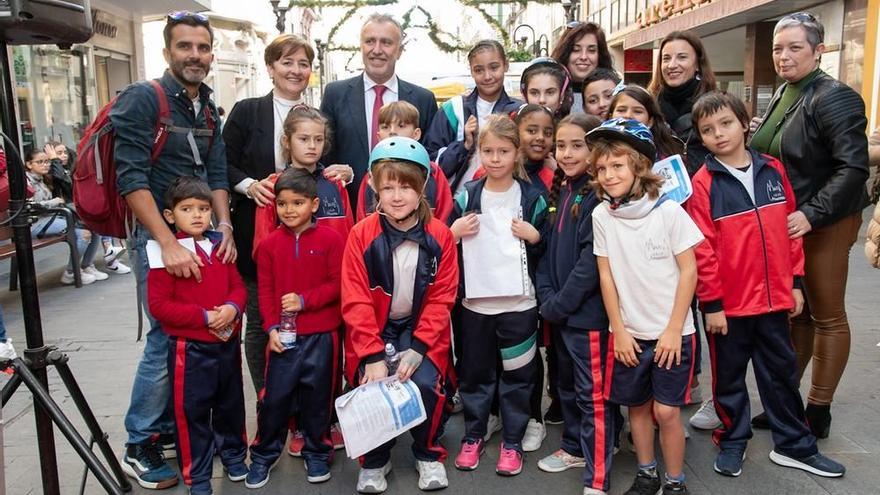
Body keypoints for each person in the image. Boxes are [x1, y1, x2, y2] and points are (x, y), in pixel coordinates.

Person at [685, 90, 847, 480]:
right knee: (729, 380)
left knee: (781, 375)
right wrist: (713, 305)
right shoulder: (703, 183)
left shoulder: (772, 170)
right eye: (708, 130)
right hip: (730, 309)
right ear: (701, 138)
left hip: (775, 300)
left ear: (744, 123)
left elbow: (790, 231)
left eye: (725, 124)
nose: (719, 134)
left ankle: (794, 444)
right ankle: (734, 438)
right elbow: (702, 250)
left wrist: (794, 283)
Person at [112, 11, 232, 489]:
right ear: (167, 53)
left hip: (201, 239)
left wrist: (224, 228)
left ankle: (163, 430)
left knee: (185, 337)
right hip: (161, 241)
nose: (195, 56)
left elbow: (217, 172)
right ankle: (138, 443)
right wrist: (166, 243)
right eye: (185, 47)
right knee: (166, 336)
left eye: (202, 48)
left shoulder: (205, 106)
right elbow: (130, 178)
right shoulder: (146, 97)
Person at [750, 12, 870, 438]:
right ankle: (787, 401)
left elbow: (853, 168)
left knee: (827, 314)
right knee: (796, 314)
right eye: (778, 48)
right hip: (789, 222)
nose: (783, 56)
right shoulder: (787, 90)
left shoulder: (834, 96)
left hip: (825, 219)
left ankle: (818, 409)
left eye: (795, 47)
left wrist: (811, 214)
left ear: (819, 50)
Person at [223, 34, 352, 397]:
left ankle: (316, 402)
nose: (295, 70)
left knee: (319, 323)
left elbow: (332, 168)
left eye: (303, 64)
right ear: (270, 67)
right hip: (261, 224)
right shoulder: (248, 111)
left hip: (317, 238)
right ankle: (271, 398)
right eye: (287, 62)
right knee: (263, 322)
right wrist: (250, 185)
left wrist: (346, 173)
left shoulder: (320, 119)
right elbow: (223, 163)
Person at [589, 118, 703, 495]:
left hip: (673, 332)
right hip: (629, 334)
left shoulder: (667, 212)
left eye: (617, 166)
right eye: (602, 168)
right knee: (635, 408)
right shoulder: (602, 215)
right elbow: (606, 276)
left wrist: (674, 329)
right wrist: (618, 329)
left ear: (639, 166)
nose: (607, 175)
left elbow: (689, 271)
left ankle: (675, 481)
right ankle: (646, 472)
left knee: (666, 411)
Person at [342, 137, 458, 493]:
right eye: (387, 186)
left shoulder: (440, 235)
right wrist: (372, 356)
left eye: (406, 187)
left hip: (420, 326)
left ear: (423, 186)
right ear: (374, 186)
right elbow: (355, 299)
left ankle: (428, 453)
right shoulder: (361, 235)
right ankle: (376, 460)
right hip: (375, 327)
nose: (395, 196)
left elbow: (442, 298)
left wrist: (421, 346)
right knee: (370, 384)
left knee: (424, 382)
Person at [448, 115, 546, 476]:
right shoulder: (467, 195)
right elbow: (443, 242)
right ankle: (473, 434)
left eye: (503, 151)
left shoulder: (532, 196)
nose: (494, 158)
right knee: (474, 373)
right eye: (487, 151)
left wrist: (535, 238)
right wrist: (453, 232)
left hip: (520, 306)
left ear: (517, 153)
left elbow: (546, 247)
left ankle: (513, 440)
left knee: (519, 376)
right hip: (475, 306)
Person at [146, 177, 248, 495]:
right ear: (169, 215)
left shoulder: (220, 246)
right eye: (187, 209)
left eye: (203, 209)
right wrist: (204, 317)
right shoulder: (164, 254)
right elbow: (160, 306)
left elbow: (238, 286)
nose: (197, 215)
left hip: (227, 343)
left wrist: (232, 308)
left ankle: (234, 457)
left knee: (231, 405)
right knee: (192, 413)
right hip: (189, 349)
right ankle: (198, 474)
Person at [246, 168, 344, 488]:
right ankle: (263, 455)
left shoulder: (332, 240)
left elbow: (338, 285)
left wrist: (305, 300)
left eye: (298, 203)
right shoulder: (270, 245)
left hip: (322, 336)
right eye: (283, 204)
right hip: (283, 339)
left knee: (319, 399)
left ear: (314, 205)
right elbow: (265, 292)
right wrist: (271, 328)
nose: (289, 210)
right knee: (275, 399)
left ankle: (318, 452)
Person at [536, 113, 614, 495]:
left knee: (592, 395)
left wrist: (558, 304)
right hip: (562, 314)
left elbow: (589, 266)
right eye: (561, 145)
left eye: (577, 145)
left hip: (586, 317)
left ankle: (597, 476)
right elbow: (548, 253)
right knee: (565, 386)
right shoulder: (563, 190)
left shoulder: (598, 196)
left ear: (594, 148)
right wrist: (547, 298)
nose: (566, 153)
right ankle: (573, 446)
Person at [321, 14, 437, 209]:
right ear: (361, 46)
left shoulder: (423, 99)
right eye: (370, 41)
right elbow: (324, 154)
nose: (377, 50)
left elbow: (430, 160)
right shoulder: (335, 94)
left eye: (386, 43)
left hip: (408, 213)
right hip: (350, 210)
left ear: (399, 51)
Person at [251, 105, 353, 254]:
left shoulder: (335, 183)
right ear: (287, 141)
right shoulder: (271, 187)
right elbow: (262, 248)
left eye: (319, 139)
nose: (312, 146)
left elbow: (349, 236)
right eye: (304, 139)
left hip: (333, 273)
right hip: (290, 272)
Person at [425, 40, 521, 194]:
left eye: (494, 67)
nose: (487, 76)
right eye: (479, 70)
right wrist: (464, 145)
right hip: (458, 203)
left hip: (505, 200)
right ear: (471, 71)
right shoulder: (453, 109)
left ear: (506, 65)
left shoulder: (519, 112)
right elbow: (430, 165)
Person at [357, 101, 453, 222]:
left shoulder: (432, 171)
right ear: (379, 136)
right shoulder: (371, 174)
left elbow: (445, 212)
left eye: (401, 126)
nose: (392, 131)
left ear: (416, 134)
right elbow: (362, 218)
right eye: (385, 127)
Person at [25, 148, 104, 285]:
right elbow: (31, 206)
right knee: (84, 234)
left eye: (47, 161)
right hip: (35, 223)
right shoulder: (25, 181)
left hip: (51, 218)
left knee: (94, 228)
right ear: (29, 164)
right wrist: (54, 201)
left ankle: (85, 266)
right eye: (40, 162)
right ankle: (71, 272)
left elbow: (67, 185)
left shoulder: (45, 179)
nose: (45, 165)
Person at [647, 31, 718, 175]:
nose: (672, 65)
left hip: (705, 188)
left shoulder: (716, 106)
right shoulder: (647, 106)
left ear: (698, 64)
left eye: (682, 57)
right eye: (666, 58)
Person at [550, 22, 614, 114]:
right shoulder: (548, 96)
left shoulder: (618, 93)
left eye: (591, 50)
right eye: (576, 50)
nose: (583, 57)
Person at [608, 85, 684, 159]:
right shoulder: (598, 148)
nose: (628, 116)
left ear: (650, 121)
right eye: (621, 110)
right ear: (610, 116)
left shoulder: (665, 157)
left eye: (637, 111)